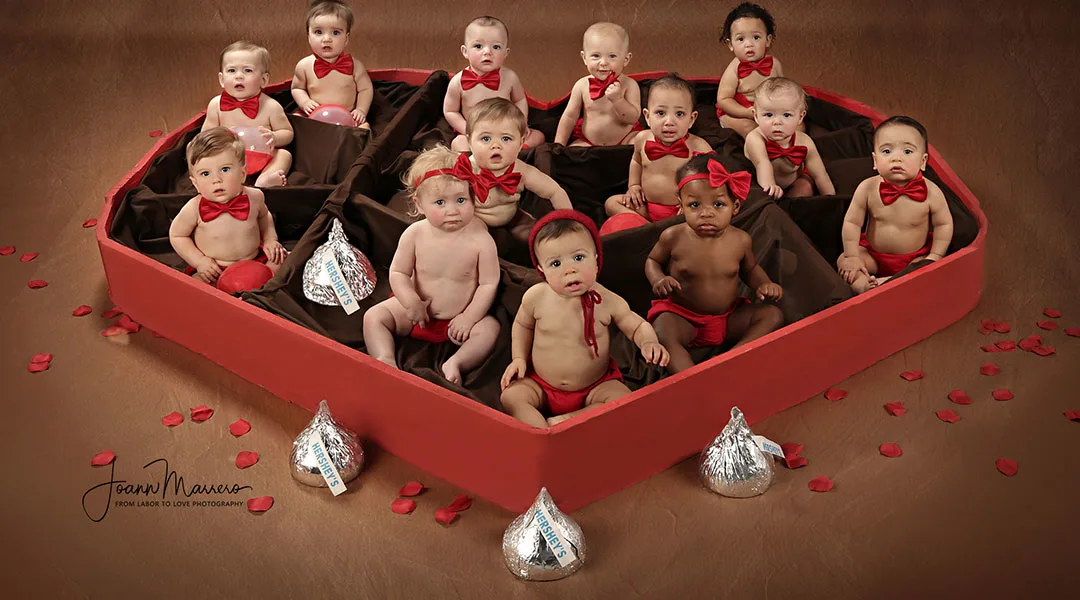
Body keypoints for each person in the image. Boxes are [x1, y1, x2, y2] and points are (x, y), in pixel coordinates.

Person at [500, 210, 669, 428]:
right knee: (511, 397)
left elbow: (636, 325)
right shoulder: (536, 297)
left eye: (578, 258)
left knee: (624, 400)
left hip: (594, 386)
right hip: (542, 385)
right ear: (541, 269)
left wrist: (648, 342)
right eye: (555, 264)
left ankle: (562, 422)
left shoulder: (605, 299)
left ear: (596, 260)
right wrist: (519, 358)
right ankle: (541, 432)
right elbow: (522, 325)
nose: (570, 270)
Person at [362, 145, 501, 384]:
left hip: (457, 320)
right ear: (419, 204)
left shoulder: (481, 240)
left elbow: (489, 283)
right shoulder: (415, 234)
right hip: (415, 313)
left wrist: (469, 317)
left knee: (490, 329)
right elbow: (398, 273)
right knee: (373, 317)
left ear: (473, 197)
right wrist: (410, 301)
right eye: (439, 202)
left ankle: (456, 362)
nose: (452, 211)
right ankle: (385, 359)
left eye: (460, 200)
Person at [837, 116, 954, 293]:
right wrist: (853, 256)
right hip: (873, 255)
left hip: (913, 258)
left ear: (923, 162)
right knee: (844, 260)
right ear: (875, 161)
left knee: (925, 268)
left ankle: (888, 282)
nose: (896, 158)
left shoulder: (932, 192)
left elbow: (943, 224)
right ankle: (864, 285)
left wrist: (936, 255)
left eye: (907, 152)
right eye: (887, 151)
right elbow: (852, 222)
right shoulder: (867, 187)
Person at [169, 128, 287, 293]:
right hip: (217, 269)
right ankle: (235, 298)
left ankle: (262, 288)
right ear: (195, 183)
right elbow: (177, 235)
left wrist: (270, 240)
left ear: (243, 174)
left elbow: (264, 216)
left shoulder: (255, 196)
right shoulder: (193, 209)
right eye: (205, 173)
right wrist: (200, 261)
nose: (216, 180)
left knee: (283, 259)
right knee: (193, 286)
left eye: (225, 169)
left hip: (255, 260)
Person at [202, 41, 293, 188]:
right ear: (221, 79)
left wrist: (274, 138)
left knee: (283, 155)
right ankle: (224, 181)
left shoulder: (271, 106)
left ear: (264, 80)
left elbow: (288, 132)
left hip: (262, 157)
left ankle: (265, 179)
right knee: (205, 156)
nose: (239, 76)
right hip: (227, 158)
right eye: (231, 71)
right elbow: (206, 133)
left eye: (248, 71)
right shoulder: (216, 105)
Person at [554, 22, 643, 147]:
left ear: (626, 59)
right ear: (584, 58)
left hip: (624, 141)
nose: (603, 63)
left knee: (640, 143)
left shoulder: (629, 85)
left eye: (612, 56)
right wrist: (559, 144)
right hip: (589, 142)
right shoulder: (581, 85)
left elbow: (632, 119)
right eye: (596, 56)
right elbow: (569, 117)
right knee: (571, 152)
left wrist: (618, 100)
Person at [290, 0, 374, 129]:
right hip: (314, 117)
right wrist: (305, 102)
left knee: (364, 128)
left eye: (335, 33)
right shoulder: (304, 65)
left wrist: (361, 110)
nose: (326, 39)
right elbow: (297, 88)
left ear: (346, 39)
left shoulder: (355, 66)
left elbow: (366, 89)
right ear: (308, 37)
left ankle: (352, 148)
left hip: (347, 118)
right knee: (295, 121)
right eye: (318, 32)